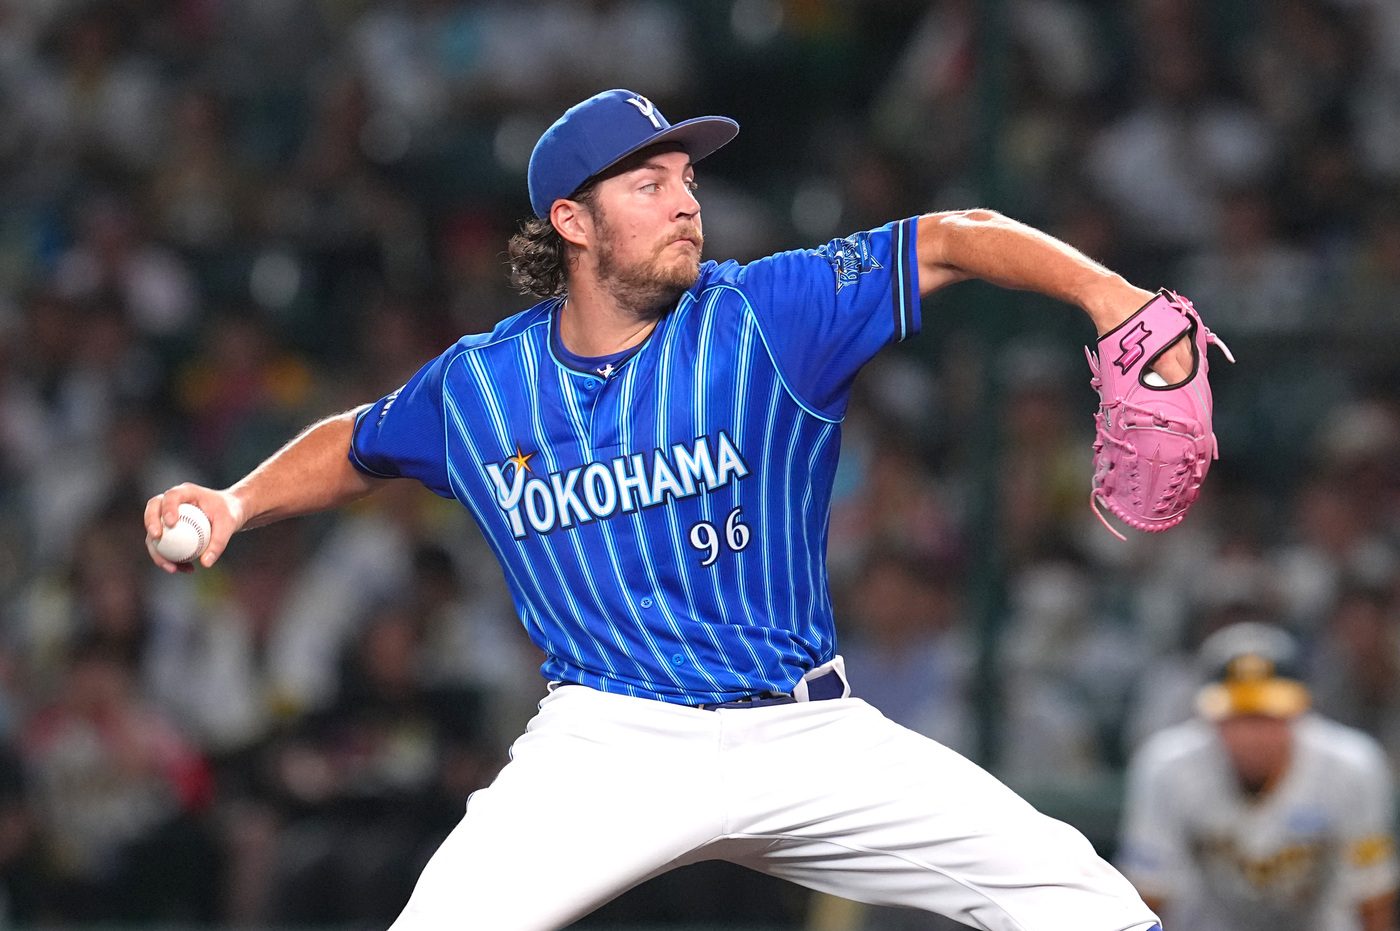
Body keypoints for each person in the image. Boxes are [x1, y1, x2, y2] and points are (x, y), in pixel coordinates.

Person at [144, 89, 1183, 931]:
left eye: (687, 179)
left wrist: (1110, 298)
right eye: (648, 183)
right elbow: (359, 443)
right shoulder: (481, 387)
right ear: (571, 223)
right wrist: (235, 502)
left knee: (1083, 902)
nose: (686, 201)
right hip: (610, 738)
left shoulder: (765, 315)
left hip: (804, 734)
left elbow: (957, 238)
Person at [1118, 621, 1398, 931]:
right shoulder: (1167, 767)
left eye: (1267, 717)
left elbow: (1372, 895)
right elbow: (1148, 897)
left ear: (1299, 712)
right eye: (1237, 718)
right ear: (1208, 717)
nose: (1252, 735)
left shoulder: (1351, 766)